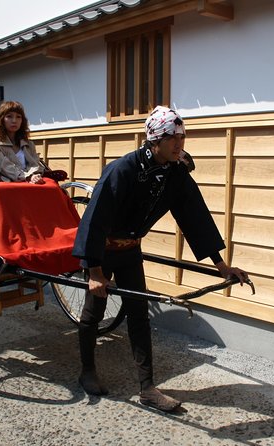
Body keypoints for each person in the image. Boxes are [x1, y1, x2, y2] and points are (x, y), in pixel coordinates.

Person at [72, 105, 249, 412]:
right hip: (103, 250)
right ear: (155, 139)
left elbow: (195, 217)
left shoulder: (174, 173)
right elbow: (95, 219)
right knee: (93, 314)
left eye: (182, 136)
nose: (180, 143)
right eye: (173, 138)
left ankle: (147, 388)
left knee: (139, 314)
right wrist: (95, 272)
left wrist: (221, 267)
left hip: (130, 250)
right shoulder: (121, 170)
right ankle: (87, 371)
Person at [0, 100, 45, 184]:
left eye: (18, 117)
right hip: (9, 183)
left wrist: (34, 175)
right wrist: (28, 176)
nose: (14, 120)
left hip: (32, 180)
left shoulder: (28, 144)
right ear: (1, 119)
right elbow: (5, 167)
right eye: (9, 116)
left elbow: (35, 163)